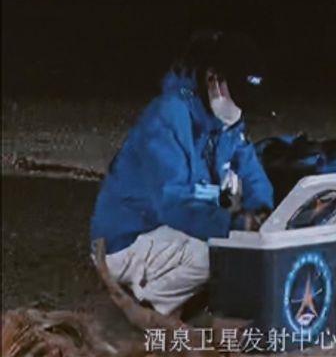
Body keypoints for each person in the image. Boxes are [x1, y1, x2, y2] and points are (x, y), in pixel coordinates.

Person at [89, 31, 275, 316]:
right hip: (125, 237)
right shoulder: (168, 116)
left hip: (169, 227)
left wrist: (262, 211)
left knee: (238, 246)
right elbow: (174, 203)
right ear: (213, 79)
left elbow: (251, 172)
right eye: (238, 96)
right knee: (223, 255)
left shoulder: (224, 123)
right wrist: (235, 225)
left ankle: (174, 293)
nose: (240, 109)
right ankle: (147, 302)